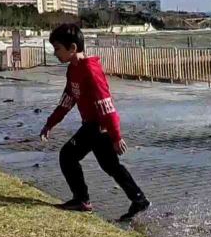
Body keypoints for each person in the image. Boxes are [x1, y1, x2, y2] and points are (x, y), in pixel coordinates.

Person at [39, 23, 150, 221]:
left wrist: (116, 136)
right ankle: (139, 199)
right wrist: (50, 123)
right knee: (111, 166)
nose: (55, 54)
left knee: (67, 156)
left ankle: (82, 200)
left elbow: (106, 104)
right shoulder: (73, 69)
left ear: (73, 48)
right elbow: (67, 100)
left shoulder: (90, 70)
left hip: (98, 125)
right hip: (94, 125)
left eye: (57, 49)